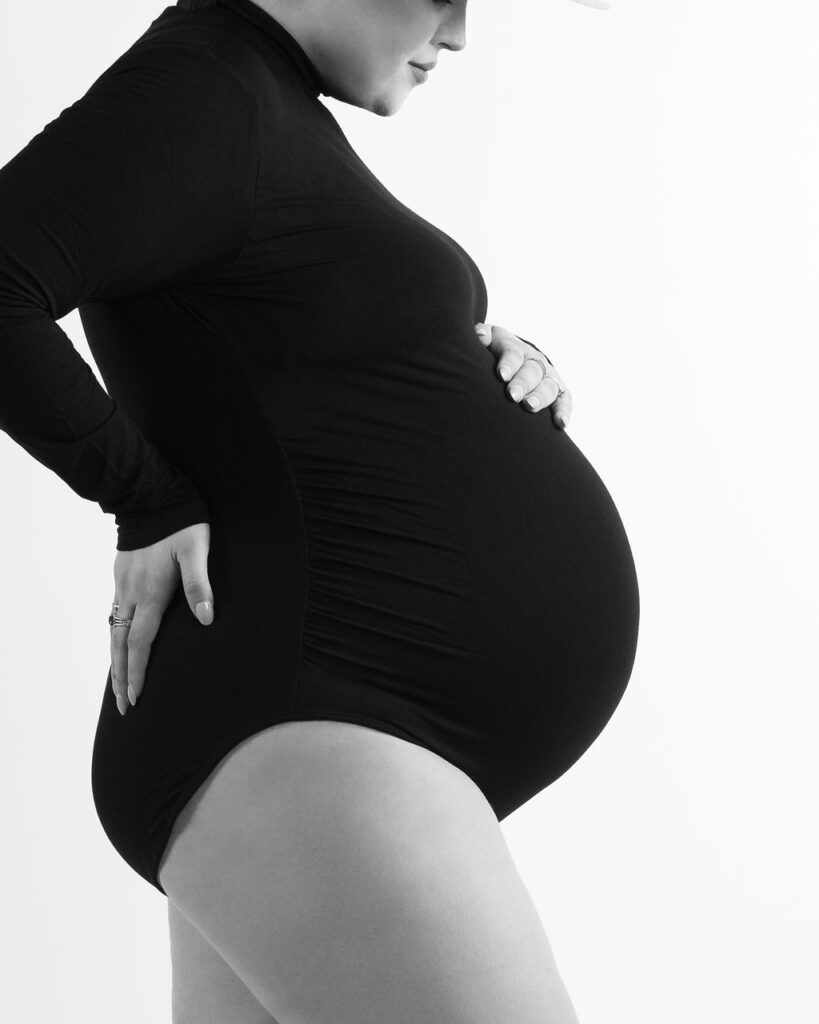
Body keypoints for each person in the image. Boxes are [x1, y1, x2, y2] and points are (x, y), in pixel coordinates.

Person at [0, 0, 639, 1020]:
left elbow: (274, 352)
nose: (462, 31)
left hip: (326, 738)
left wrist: (468, 358)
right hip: (313, 717)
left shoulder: (256, 103)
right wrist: (141, 497)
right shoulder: (202, 89)